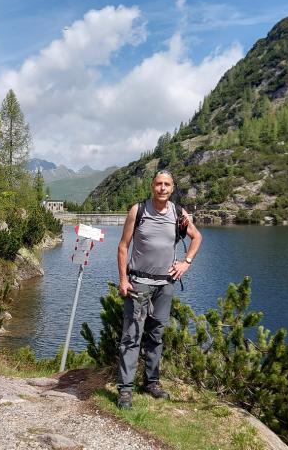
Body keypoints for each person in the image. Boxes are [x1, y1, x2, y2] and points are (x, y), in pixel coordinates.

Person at [116, 169, 202, 409]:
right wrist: (123, 280)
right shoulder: (138, 210)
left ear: (172, 188)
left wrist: (186, 262)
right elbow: (123, 247)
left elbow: (197, 237)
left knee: (156, 335)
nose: (162, 188)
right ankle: (125, 390)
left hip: (165, 284)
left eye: (167, 184)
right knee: (132, 335)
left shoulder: (178, 214)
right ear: (152, 186)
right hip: (139, 283)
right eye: (158, 184)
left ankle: (151, 382)